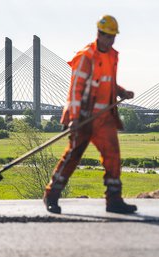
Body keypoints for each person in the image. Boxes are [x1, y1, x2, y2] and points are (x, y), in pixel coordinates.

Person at [43, 15, 137, 214]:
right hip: (85, 117)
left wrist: (121, 92)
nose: (111, 41)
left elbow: (107, 81)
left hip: (104, 118)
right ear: (99, 34)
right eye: (108, 36)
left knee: (113, 155)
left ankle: (114, 200)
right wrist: (75, 118)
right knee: (73, 156)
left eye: (113, 37)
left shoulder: (112, 55)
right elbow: (75, 90)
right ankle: (51, 195)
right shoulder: (86, 56)